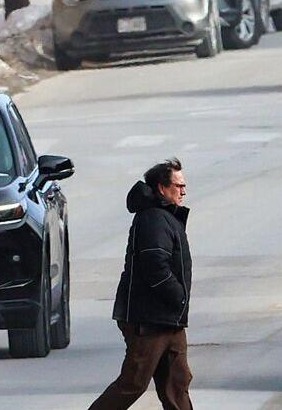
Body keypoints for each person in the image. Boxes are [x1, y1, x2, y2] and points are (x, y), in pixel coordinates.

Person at [89, 159, 194, 410]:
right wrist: (178, 296)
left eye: (184, 185)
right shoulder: (154, 219)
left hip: (169, 319)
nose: (184, 191)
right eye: (178, 185)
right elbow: (154, 265)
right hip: (149, 320)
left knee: (177, 384)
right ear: (161, 187)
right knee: (133, 383)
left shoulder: (165, 216)